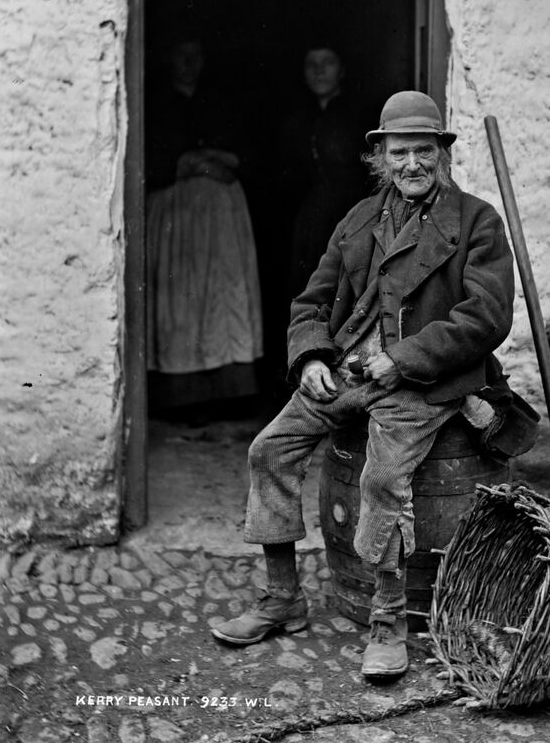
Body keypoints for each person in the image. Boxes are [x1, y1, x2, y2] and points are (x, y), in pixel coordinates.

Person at [211, 91, 515, 679]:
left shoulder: (477, 220)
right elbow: (313, 300)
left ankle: (387, 621)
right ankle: (282, 599)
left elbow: (487, 316)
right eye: (399, 153)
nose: (412, 165)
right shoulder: (358, 219)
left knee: (382, 477)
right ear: (381, 157)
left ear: (442, 155)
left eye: (424, 151)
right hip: (349, 371)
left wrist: (402, 360)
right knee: (269, 450)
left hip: (427, 381)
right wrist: (311, 359)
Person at [146, 36, 264, 411]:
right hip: (175, 215)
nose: (188, 64)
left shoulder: (220, 102)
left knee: (222, 295)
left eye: (195, 56)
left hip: (221, 217)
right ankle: (182, 397)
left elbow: (243, 155)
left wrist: (209, 159)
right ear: (168, 60)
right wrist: (193, 164)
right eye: (181, 56)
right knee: (180, 297)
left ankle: (225, 394)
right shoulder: (156, 102)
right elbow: (150, 157)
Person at [278, 45, 369, 299]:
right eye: (311, 64)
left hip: (352, 215)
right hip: (311, 221)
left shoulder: (358, 115)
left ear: (342, 70)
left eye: (327, 62)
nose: (319, 71)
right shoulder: (297, 119)